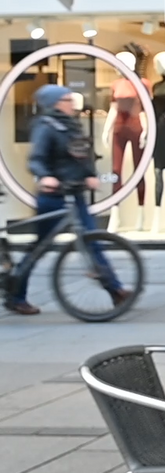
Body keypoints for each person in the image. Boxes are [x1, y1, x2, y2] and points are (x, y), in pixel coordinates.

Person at [5, 84, 130, 315]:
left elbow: (81, 154)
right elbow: (37, 158)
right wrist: (45, 177)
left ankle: (115, 290)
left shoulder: (70, 125)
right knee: (39, 248)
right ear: (55, 103)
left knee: (92, 241)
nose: (72, 103)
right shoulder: (46, 126)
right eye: (66, 100)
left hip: (75, 193)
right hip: (53, 198)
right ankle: (15, 295)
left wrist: (90, 174)